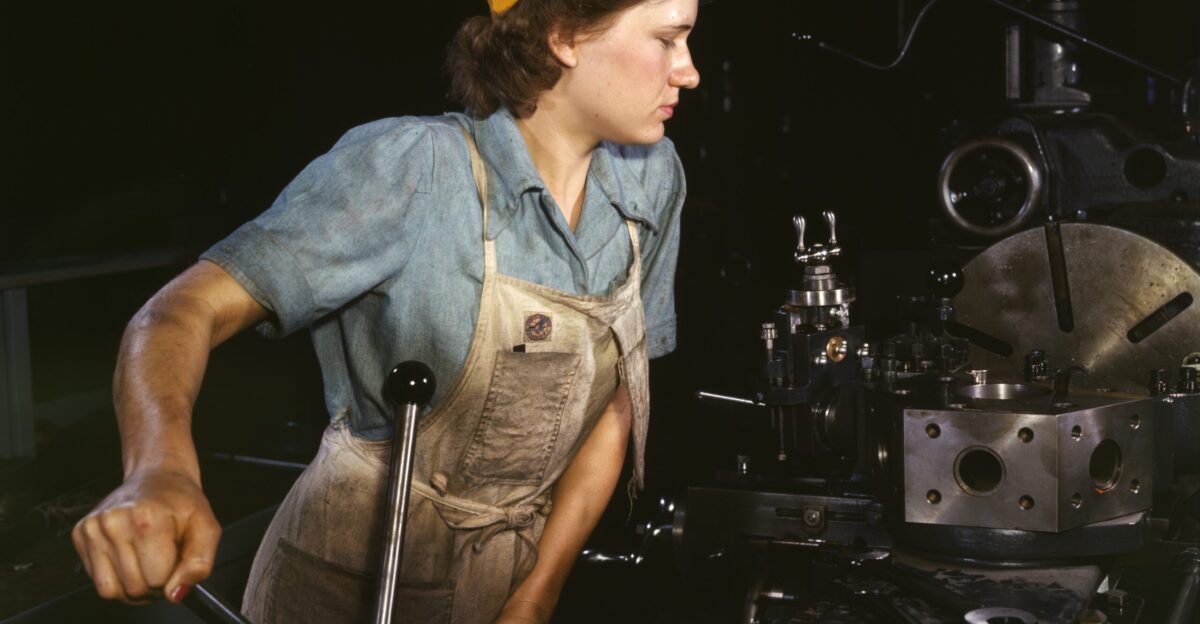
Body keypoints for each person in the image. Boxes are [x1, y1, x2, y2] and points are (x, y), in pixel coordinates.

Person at [71, 0, 700, 621]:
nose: (689, 70)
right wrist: (158, 471)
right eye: (668, 38)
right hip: (351, 585)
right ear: (563, 36)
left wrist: (536, 596)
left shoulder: (649, 177)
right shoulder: (413, 169)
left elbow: (618, 398)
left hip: (510, 578)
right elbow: (178, 314)